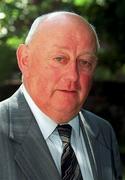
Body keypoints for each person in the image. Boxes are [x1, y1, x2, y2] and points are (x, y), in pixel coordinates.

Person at [0, 11, 122, 180]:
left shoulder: (103, 132)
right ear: (24, 59)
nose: (73, 75)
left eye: (84, 62)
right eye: (59, 59)